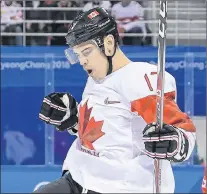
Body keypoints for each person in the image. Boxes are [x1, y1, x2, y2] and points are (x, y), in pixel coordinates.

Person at [35, 7, 196, 193]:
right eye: (77, 55)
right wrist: (71, 119)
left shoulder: (140, 79)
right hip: (79, 177)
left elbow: (183, 131)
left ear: (109, 43)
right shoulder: (96, 79)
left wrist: (176, 143)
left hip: (118, 186)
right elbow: (107, 132)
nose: (82, 61)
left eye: (86, 51)